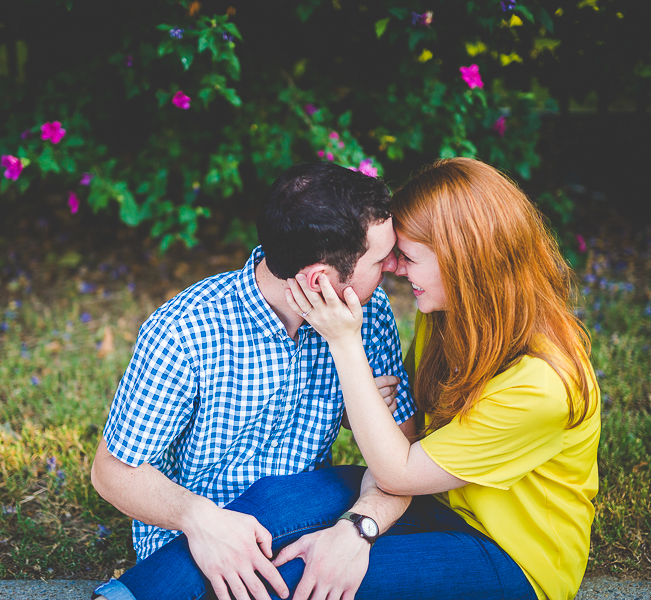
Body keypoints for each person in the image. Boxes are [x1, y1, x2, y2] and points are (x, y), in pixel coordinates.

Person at [90, 161, 419, 600]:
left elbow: (402, 462)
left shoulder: (369, 314)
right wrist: (200, 519)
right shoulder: (187, 330)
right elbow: (111, 472)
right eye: (381, 259)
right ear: (318, 279)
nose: (395, 266)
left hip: (305, 522)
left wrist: (356, 530)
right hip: (197, 541)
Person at [282, 157, 601, 600]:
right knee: (275, 507)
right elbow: (402, 439)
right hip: (436, 501)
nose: (394, 267)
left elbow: (398, 470)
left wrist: (345, 342)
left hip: (510, 557)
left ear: (462, 262)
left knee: (304, 583)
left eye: (408, 256)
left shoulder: (540, 384)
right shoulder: (448, 315)